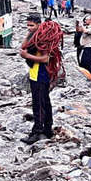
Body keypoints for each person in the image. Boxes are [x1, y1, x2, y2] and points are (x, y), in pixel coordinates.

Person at [20, 14, 63, 144]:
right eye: (27, 25)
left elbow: (45, 58)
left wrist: (27, 55)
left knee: (38, 104)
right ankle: (47, 128)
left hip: (41, 74)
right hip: (35, 74)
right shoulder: (34, 36)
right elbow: (23, 46)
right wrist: (28, 33)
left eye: (32, 25)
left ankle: (37, 132)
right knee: (44, 101)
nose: (29, 28)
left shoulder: (43, 39)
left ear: (39, 24)